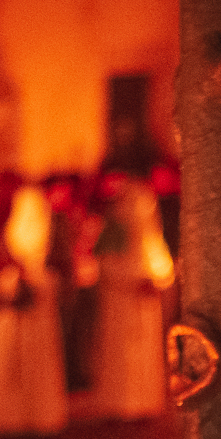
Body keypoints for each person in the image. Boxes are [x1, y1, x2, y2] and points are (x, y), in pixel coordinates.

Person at [0, 183, 68, 438]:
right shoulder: (6, 252)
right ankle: (14, 419)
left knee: (28, 362)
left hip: (33, 300)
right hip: (17, 304)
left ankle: (33, 418)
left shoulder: (42, 251)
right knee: (15, 362)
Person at [89, 177, 172, 422]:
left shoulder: (149, 231)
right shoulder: (114, 229)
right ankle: (120, 406)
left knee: (144, 352)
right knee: (120, 354)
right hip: (120, 302)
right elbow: (107, 267)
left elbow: (158, 259)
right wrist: (132, 283)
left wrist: (157, 280)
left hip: (143, 301)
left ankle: (144, 405)